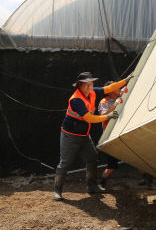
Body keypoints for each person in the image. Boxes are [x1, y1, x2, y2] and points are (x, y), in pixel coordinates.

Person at [54, 72, 131, 201]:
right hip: (70, 135)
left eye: (91, 84)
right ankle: (57, 190)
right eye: (87, 85)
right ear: (80, 86)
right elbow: (89, 118)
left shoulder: (93, 92)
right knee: (65, 163)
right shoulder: (76, 100)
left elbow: (108, 88)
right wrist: (107, 116)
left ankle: (92, 186)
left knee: (92, 159)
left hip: (84, 134)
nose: (90, 87)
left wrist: (125, 81)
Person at [95, 81, 126, 189]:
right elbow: (103, 115)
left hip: (123, 133)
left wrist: (125, 92)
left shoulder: (120, 96)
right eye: (116, 88)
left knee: (137, 159)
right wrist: (116, 104)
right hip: (110, 137)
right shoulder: (104, 101)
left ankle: (148, 182)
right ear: (110, 91)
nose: (119, 89)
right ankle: (101, 182)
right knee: (112, 166)